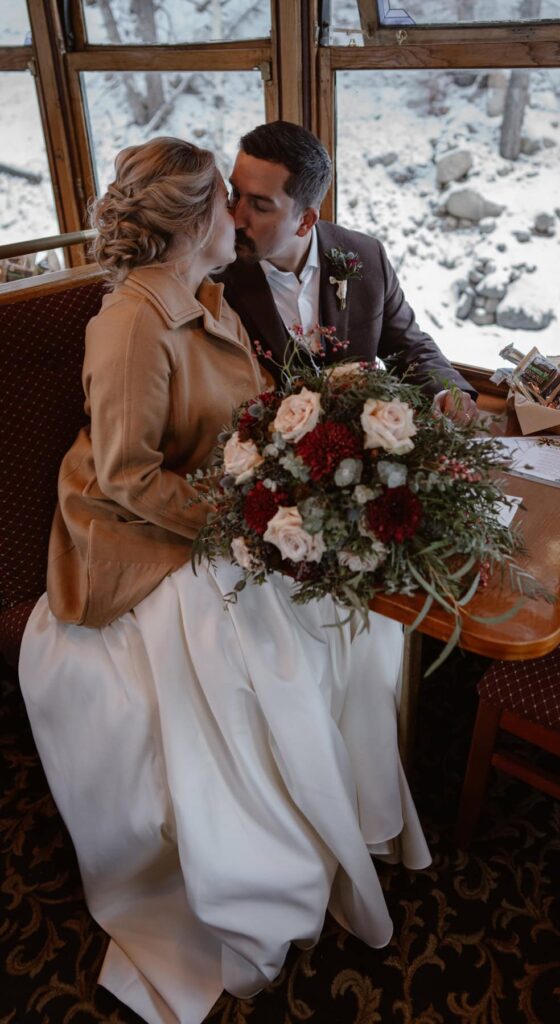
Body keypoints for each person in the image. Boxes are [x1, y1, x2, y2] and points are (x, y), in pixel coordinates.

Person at [18, 137, 430, 1024]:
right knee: (260, 643)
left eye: (251, 205)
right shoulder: (131, 322)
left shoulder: (202, 295)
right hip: (135, 531)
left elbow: (242, 420)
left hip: (214, 500)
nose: (239, 219)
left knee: (357, 619)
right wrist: (246, 524)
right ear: (195, 222)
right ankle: (264, 854)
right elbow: (126, 476)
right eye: (225, 204)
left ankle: (344, 809)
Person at [213, 120, 478, 424]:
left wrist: (449, 391)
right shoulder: (213, 274)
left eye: (259, 206)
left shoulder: (367, 257)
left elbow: (409, 346)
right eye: (235, 194)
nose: (236, 218)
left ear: (305, 220)